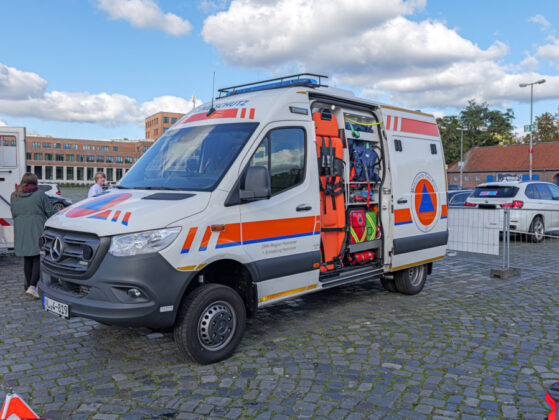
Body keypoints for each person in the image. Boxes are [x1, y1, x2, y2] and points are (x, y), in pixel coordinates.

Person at [10, 173, 55, 298]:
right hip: (36, 228)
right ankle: (32, 286)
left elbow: (14, 213)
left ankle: (29, 285)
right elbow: (50, 211)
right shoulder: (40, 194)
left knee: (27, 258)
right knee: (36, 258)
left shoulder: (14, 195)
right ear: (35, 182)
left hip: (21, 230)